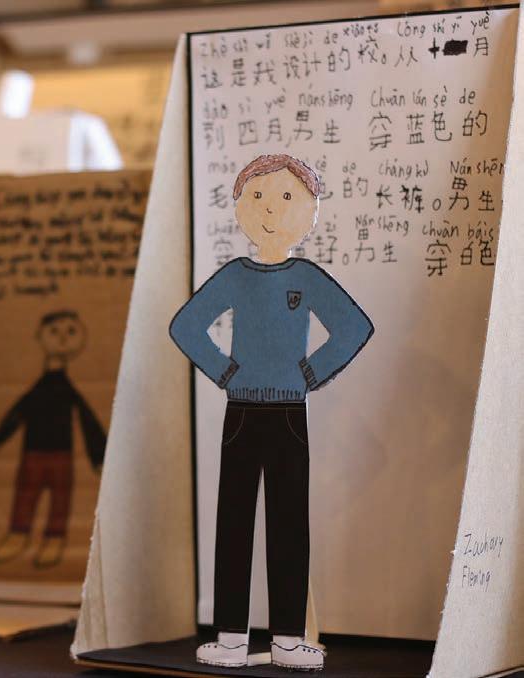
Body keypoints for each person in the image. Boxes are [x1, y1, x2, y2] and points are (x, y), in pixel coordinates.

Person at [170, 154, 373, 670]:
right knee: (234, 520)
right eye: (258, 196)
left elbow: (353, 327)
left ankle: (286, 637)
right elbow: (186, 326)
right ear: (240, 205)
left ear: (309, 208)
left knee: (288, 522)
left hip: (288, 413)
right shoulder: (236, 276)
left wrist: (310, 373)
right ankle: (231, 638)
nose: (270, 210)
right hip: (240, 411)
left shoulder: (306, 276)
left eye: (286, 198)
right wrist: (225, 372)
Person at [0, 310, 106, 568]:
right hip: (32, 454)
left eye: (71, 331)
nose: (63, 338)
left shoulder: (68, 390)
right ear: (39, 336)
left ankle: (54, 538)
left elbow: (87, 421)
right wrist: (0, 437)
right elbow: (18, 412)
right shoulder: (38, 388)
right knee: (26, 493)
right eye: (54, 331)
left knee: (60, 497)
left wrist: (98, 456)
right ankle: (19, 533)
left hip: (62, 455)